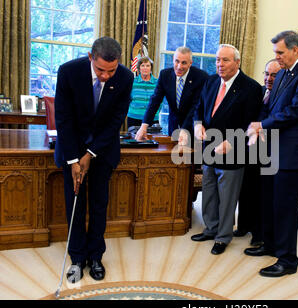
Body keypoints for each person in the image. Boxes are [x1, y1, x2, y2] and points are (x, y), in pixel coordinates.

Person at [54, 37, 134, 282]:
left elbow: (115, 121)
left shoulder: (125, 77)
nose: (106, 76)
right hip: (72, 148)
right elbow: (63, 119)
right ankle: (77, 257)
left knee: (99, 204)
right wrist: (74, 160)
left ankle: (96, 256)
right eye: (101, 69)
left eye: (111, 70)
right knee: (76, 204)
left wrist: (90, 154)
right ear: (91, 57)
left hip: (103, 150)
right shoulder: (69, 71)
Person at [245, 30, 298, 277]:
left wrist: (263, 125)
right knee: (269, 201)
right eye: (275, 52)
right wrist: (257, 123)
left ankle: (287, 260)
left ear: (295, 50)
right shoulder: (283, 73)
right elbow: (270, 107)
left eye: (280, 52)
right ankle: (270, 244)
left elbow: (297, 110)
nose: (276, 57)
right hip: (272, 150)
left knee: (286, 209)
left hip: (292, 154)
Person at [189, 44, 262, 255]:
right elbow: (199, 108)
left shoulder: (251, 88)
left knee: (227, 196)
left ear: (237, 62)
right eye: (218, 60)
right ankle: (210, 229)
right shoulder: (210, 81)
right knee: (209, 190)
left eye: (225, 60)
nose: (219, 64)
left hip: (233, 149)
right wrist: (197, 124)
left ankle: (222, 237)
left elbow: (252, 122)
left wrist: (232, 141)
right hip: (208, 145)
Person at [234, 59, 281, 246]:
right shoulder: (258, 91)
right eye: (267, 74)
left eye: (274, 75)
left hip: (269, 150)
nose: (269, 78)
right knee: (246, 190)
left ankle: (259, 234)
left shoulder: (281, 96)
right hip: (249, 149)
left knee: (262, 195)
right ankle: (243, 226)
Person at [135, 47, 208, 140]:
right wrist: (144, 126)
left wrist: (184, 129)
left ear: (190, 63)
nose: (179, 66)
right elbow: (155, 101)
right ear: (173, 60)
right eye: (177, 61)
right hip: (173, 125)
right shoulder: (165, 75)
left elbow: (195, 107)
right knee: (172, 152)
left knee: (191, 153)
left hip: (193, 126)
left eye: (184, 63)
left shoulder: (201, 77)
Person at [127, 56, 159, 127]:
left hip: (152, 119)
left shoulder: (157, 83)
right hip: (134, 118)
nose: (145, 68)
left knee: (151, 138)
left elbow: (160, 101)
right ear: (139, 68)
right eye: (143, 65)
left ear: (151, 68)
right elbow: (127, 99)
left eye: (148, 65)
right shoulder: (132, 82)